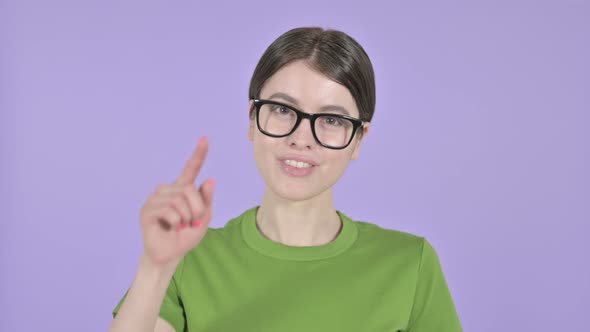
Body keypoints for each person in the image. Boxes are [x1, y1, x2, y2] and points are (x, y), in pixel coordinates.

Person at [109, 27, 462, 332]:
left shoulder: (409, 264)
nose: (302, 138)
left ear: (359, 139)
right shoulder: (186, 258)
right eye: (282, 110)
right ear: (252, 118)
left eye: (332, 120)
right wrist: (154, 268)